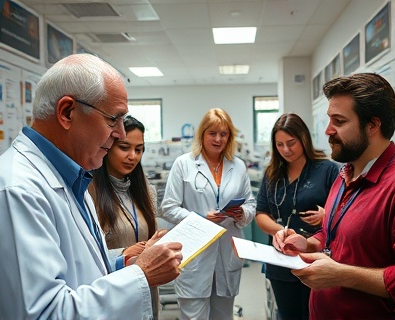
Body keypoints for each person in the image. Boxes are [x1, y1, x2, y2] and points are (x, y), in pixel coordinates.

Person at [0, 53, 183, 319]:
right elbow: (43, 314)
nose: (120, 132)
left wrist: (126, 262)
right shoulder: (15, 192)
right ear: (67, 112)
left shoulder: (74, 179)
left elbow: (79, 270)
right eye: (113, 119)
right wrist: (141, 275)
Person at [273, 73, 395, 319]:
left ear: (372, 125)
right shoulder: (344, 175)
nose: (328, 131)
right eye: (330, 119)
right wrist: (306, 243)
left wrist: (340, 274)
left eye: (338, 121)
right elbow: (331, 237)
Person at [160, 108, 256, 320]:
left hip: (227, 254)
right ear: (202, 134)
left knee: (223, 316)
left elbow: (250, 203)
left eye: (223, 134)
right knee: (194, 316)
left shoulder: (238, 166)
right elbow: (168, 207)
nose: (218, 139)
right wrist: (200, 220)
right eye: (212, 133)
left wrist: (241, 213)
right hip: (195, 253)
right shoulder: (184, 164)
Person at [255, 113, 340, 320]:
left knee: (317, 315)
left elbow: (344, 211)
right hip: (280, 260)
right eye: (280, 144)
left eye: (291, 143)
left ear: (303, 138)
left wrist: (326, 215)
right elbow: (261, 214)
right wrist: (282, 232)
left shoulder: (327, 170)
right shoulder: (273, 173)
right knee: (288, 315)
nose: (286, 150)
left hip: (316, 259)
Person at [89, 115, 164, 319]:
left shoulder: (145, 190)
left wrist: (157, 243)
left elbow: (146, 235)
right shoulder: (89, 192)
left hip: (146, 285)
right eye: (124, 147)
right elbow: (87, 253)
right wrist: (125, 253)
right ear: (108, 146)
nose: (132, 156)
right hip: (114, 290)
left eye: (138, 149)